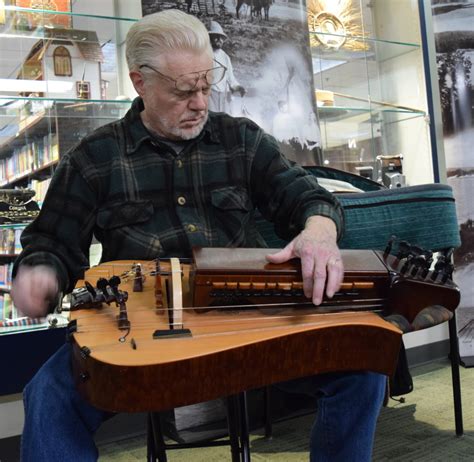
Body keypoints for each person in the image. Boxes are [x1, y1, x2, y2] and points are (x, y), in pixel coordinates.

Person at [11, 9, 386, 462]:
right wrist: (39, 276)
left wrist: (319, 233)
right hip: (144, 330)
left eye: (208, 84)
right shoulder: (94, 158)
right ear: (140, 83)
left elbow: (308, 198)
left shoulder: (241, 140)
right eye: (184, 90)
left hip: (245, 320)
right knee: (49, 397)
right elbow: (51, 243)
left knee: (362, 365)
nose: (202, 102)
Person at [207, 20, 246, 114]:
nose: (219, 39)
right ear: (209, 37)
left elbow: (231, 79)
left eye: (221, 37)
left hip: (224, 96)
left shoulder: (225, 57)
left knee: (224, 122)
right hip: (209, 95)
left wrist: (239, 87)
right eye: (216, 36)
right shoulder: (202, 55)